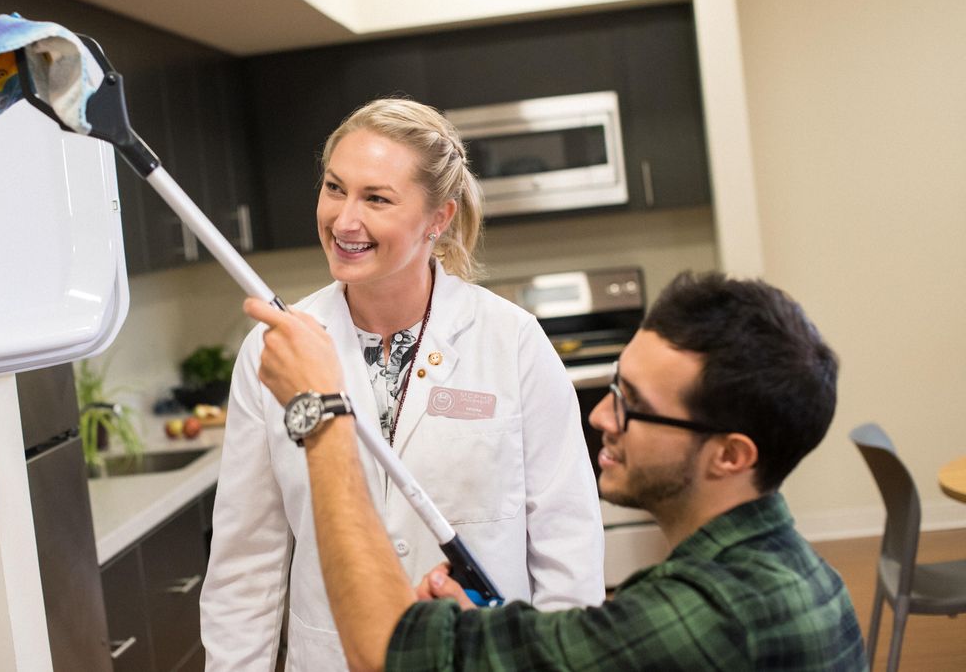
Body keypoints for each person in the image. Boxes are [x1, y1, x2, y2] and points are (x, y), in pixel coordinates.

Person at [242, 271, 868, 671]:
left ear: (731, 455)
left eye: (635, 407)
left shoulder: (706, 617)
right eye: (615, 388)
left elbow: (384, 650)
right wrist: (487, 636)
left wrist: (321, 414)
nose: (602, 416)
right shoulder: (794, 576)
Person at [200, 98, 605, 670]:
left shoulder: (510, 341)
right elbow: (246, 562)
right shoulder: (279, 351)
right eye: (335, 188)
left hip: (477, 656)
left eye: (377, 199)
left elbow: (568, 546)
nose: (344, 220)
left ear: (438, 217)